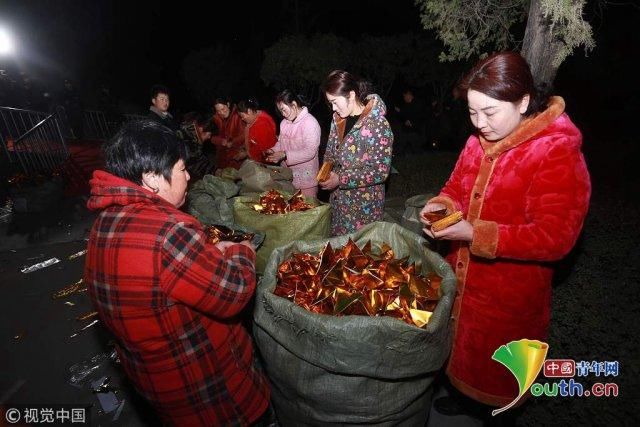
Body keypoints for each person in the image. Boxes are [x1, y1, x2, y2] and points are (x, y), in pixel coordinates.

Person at [419, 51, 591, 417]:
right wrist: (442, 206)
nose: (479, 123)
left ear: (523, 101)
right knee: (463, 353)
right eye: (471, 111)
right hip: (465, 281)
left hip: (508, 293)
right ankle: (463, 395)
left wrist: (475, 233)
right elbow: (455, 187)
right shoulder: (476, 142)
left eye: (490, 112)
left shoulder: (555, 149)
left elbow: (555, 236)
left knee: (497, 376)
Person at [84, 119, 270, 426]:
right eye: (182, 168)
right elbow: (234, 292)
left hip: (159, 386)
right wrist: (242, 250)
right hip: (210, 393)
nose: (188, 176)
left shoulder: (104, 224)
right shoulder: (168, 232)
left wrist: (209, 254)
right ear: (152, 177)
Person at [320, 70, 394, 236]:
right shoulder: (338, 119)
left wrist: (341, 179)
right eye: (330, 103)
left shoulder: (377, 124)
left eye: (335, 102)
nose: (333, 108)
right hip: (339, 203)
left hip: (363, 209)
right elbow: (330, 152)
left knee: (360, 255)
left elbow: (380, 171)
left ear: (351, 95)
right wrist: (324, 172)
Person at [265, 90, 321, 198]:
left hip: (306, 181)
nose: (283, 114)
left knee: (307, 212)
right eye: (280, 111)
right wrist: (273, 151)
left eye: (284, 110)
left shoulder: (310, 123)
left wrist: (285, 155)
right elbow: (281, 143)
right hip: (287, 177)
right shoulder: (284, 123)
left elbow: (310, 151)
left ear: (294, 104)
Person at [234, 98, 277, 163]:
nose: (242, 119)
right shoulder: (253, 120)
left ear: (249, 111)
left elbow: (263, 148)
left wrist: (246, 154)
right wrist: (244, 147)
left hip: (267, 162)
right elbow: (252, 140)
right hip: (259, 159)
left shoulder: (262, 124)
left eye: (242, 116)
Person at [211, 97, 246, 170]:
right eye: (218, 111)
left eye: (223, 109)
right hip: (222, 157)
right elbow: (211, 137)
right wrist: (221, 141)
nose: (221, 113)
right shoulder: (215, 119)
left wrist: (232, 142)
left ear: (228, 104)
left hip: (237, 155)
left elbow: (245, 135)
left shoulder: (238, 116)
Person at [393, 88, 427, 154]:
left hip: (415, 130)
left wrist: (410, 121)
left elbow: (419, 116)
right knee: (402, 143)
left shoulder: (417, 103)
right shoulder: (406, 105)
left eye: (405, 96)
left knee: (415, 146)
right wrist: (400, 114)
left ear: (409, 95)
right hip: (407, 130)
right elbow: (403, 117)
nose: (404, 98)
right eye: (404, 96)